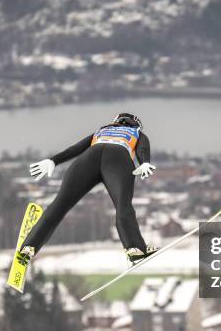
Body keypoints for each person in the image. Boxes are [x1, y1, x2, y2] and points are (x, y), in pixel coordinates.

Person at [19, 113, 158, 265]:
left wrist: (53, 161)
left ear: (117, 122)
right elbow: (142, 148)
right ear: (136, 125)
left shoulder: (102, 130)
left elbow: (76, 149)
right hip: (117, 159)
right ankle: (134, 249)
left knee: (60, 204)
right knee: (123, 206)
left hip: (88, 158)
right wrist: (145, 162)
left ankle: (29, 247)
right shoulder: (137, 133)